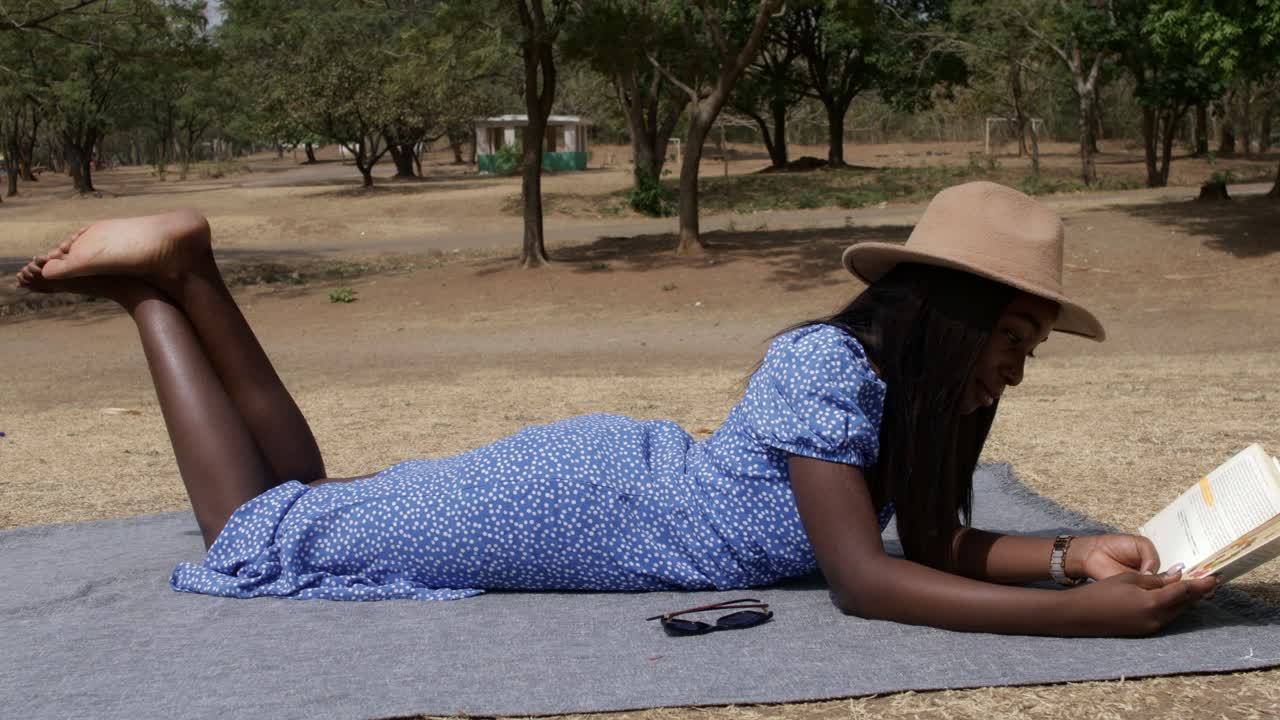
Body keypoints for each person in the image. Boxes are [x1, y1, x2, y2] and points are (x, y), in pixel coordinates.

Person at [14, 181, 1215, 636]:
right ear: (950, 318)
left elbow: (937, 543)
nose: (1015, 368)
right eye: (1008, 340)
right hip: (580, 507)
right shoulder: (824, 368)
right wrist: (1087, 623)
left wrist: (1069, 556)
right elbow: (864, 581)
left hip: (609, 487)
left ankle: (186, 268)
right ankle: (154, 293)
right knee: (253, 536)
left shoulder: (914, 396)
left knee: (309, 505)